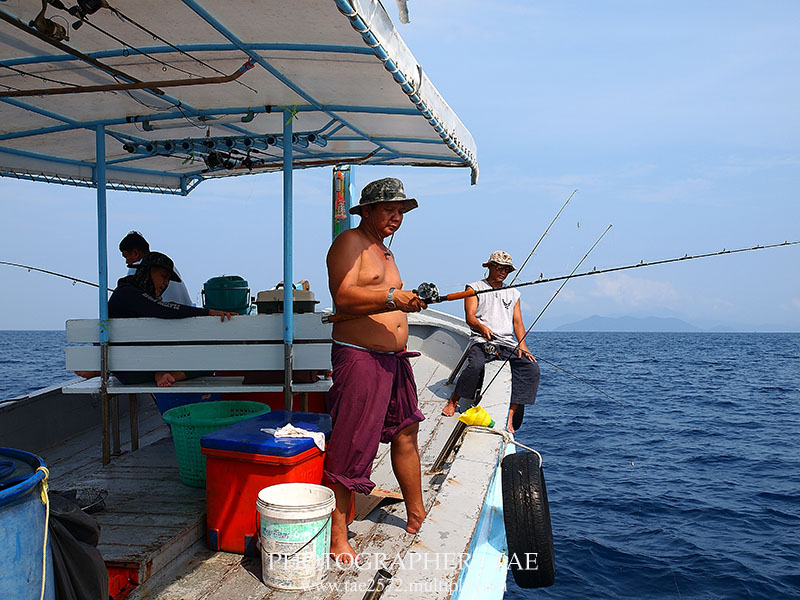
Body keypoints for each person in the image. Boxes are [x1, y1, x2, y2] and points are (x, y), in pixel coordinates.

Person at [324, 177, 428, 561]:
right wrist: (390, 296)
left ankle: (417, 513)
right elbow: (344, 295)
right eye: (389, 209)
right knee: (352, 442)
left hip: (394, 361)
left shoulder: (385, 252)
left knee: (406, 431)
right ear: (367, 210)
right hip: (360, 357)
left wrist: (407, 300)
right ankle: (338, 535)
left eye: (401, 211)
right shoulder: (349, 243)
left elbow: (386, 296)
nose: (397, 217)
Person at [75, 252, 234, 387]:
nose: (166, 284)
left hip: (130, 367)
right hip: (133, 371)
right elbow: (163, 309)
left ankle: (161, 371)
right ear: (148, 271)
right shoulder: (129, 294)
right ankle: (168, 373)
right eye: (163, 277)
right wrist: (208, 312)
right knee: (208, 362)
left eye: (168, 280)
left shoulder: (129, 293)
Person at [441, 251, 540, 433]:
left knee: (531, 368)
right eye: (500, 267)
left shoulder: (514, 293)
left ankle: (510, 415)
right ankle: (454, 400)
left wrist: (522, 345)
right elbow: (470, 317)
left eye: (507, 270)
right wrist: (482, 328)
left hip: (506, 342)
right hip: (481, 339)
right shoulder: (473, 288)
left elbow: (517, 322)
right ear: (490, 267)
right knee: (475, 366)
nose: (503, 272)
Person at [119, 231, 193, 305]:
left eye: (126, 257)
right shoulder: (171, 268)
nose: (126, 262)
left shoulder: (138, 267)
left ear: (135, 253)